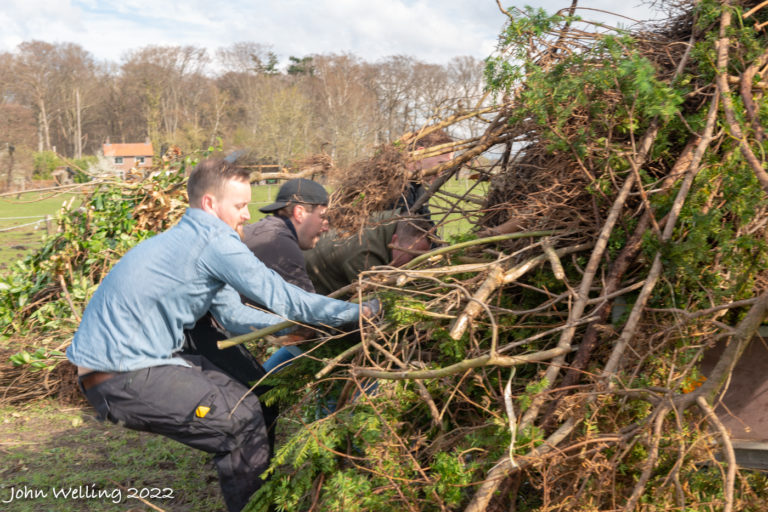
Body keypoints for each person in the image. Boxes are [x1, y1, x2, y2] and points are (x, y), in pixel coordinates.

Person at [66, 158, 376, 512]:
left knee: (261, 398)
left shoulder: (191, 240)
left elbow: (232, 316)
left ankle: (263, 495)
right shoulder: (213, 240)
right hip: (122, 378)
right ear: (210, 204)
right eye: (240, 206)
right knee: (240, 424)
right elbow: (284, 297)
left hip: (139, 366)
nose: (247, 215)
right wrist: (359, 313)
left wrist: (296, 328)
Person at [305, 214, 434, 295]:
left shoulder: (391, 220)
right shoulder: (365, 254)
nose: (417, 264)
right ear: (394, 241)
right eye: (413, 257)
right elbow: (375, 299)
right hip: (309, 284)